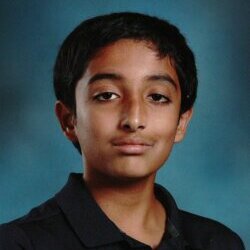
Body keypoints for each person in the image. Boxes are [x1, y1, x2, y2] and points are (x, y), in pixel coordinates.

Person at [0, 12, 245, 250]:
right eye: (107, 95)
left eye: (157, 97)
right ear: (68, 120)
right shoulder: (19, 243)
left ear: (181, 122)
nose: (134, 119)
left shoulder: (219, 242)